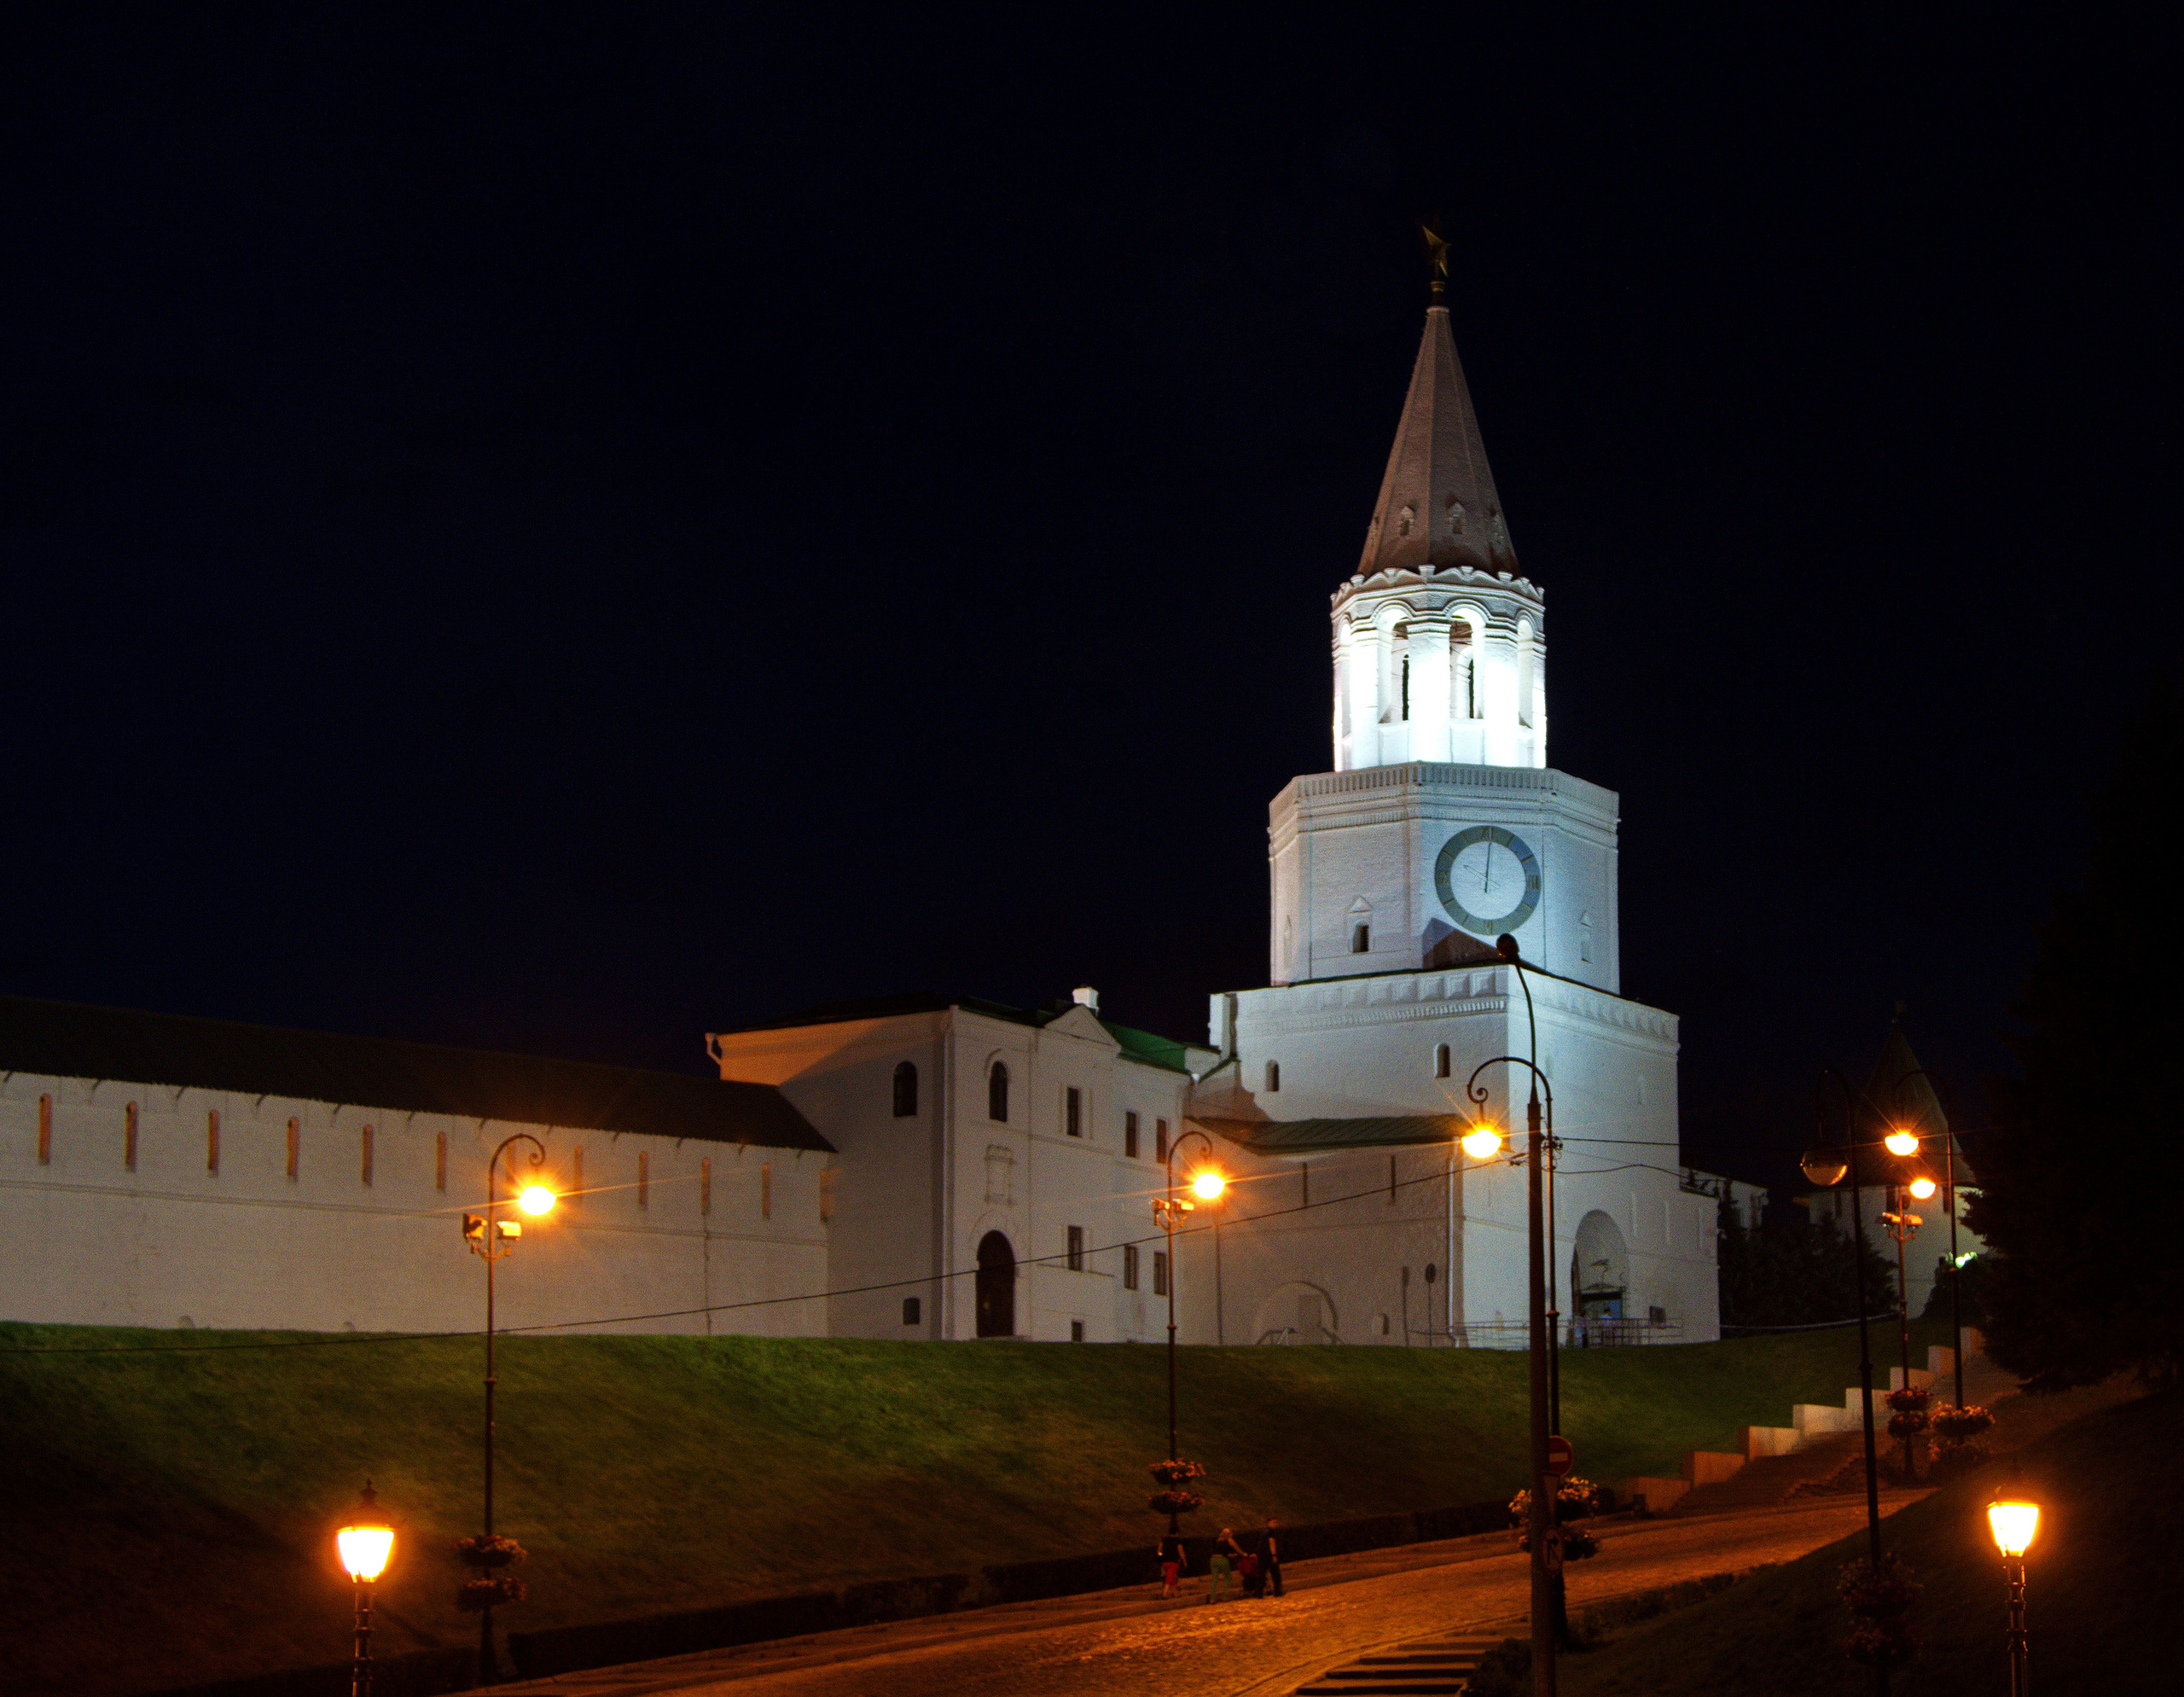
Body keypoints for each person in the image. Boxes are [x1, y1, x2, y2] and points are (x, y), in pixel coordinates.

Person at [1208, 1527, 1244, 1602]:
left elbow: (1221, 1551)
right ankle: (1225, 1596)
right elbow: (1236, 1549)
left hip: (1213, 1559)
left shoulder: (1217, 1540)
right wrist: (1243, 1554)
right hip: (1222, 1560)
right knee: (1227, 1578)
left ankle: (1212, 1599)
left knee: (1214, 1579)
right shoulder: (1230, 1540)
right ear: (1230, 1534)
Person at [1259, 1518, 1284, 1597]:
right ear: (1268, 1523)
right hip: (1269, 1555)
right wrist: (1274, 1555)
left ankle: (1259, 1593)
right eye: (1273, 1522)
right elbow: (1271, 1543)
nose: (1275, 1524)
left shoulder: (1264, 1532)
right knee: (1276, 1574)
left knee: (1262, 1574)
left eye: (1276, 1522)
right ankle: (1278, 1592)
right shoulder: (1271, 1532)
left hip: (1263, 1555)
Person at [1158, 1531, 1185, 1599]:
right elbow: (1181, 1551)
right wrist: (1184, 1561)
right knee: (1169, 1578)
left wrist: (1161, 1555)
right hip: (1173, 1562)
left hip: (1165, 1562)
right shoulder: (1177, 1541)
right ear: (1176, 1533)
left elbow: (1159, 1550)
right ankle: (1164, 1594)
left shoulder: (1164, 1540)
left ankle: (1176, 1594)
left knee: (1172, 1578)